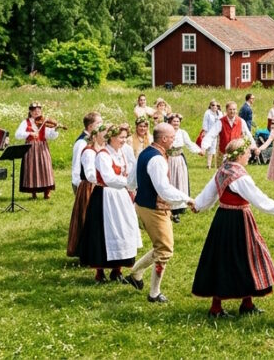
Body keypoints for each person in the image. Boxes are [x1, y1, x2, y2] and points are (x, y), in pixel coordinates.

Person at [192, 139, 274, 318]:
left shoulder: (222, 171)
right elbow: (260, 200)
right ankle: (219, 308)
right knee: (246, 257)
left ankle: (244, 303)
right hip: (238, 220)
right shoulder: (240, 176)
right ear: (238, 155)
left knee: (223, 258)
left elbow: (208, 195)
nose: (248, 156)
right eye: (246, 153)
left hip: (222, 219)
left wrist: (197, 205)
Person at [125, 122, 196, 303]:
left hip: (142, 205)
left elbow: (131, 182)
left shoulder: (144, 153)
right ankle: (154, 293)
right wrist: (186, 199)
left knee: (161, 247)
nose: (174, 140)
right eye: (172, 137)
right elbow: (163, 189)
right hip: (154, 209)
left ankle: (136, 273)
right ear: (164, 139)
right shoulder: (157, 159)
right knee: (165, 250)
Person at [78, 124, 141, 284]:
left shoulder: (122, 152)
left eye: (125, 137)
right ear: (111, 137)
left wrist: (132, 182)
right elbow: (108, 178)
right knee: (103, 233)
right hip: (105, 196)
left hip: (121, 196)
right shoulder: (103, 155)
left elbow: (130, 168)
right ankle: (100, 272)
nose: (124, 140)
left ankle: (117, 270)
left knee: (123, 230)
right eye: (121, 137)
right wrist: (127, 182)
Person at [67, 122, 106, 258]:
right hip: (89, 186)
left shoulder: (101, 150)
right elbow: (87, 173)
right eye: (103, 136)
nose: (105, 138)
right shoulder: (88, 151)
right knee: (86, 217)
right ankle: (83, 251)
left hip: (98, 185)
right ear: (95, 137)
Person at [14, 101, 60, 199]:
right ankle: (33, 192)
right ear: (30, 112)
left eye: (38, 110)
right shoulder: (25, 122)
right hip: (30, 148)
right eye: (34, 110)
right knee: (32, 168)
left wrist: (55, 130)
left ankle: (46, 192)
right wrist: (29, 134)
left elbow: (50, 136)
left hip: (42, 146)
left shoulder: (44, 121)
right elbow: (17, 134)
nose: (36, 112)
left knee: (45, 167)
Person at [165, 113, 202, 223]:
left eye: (178, 121)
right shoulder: (166, 132)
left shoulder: (182, 133)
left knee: (180, 181)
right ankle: (170, 208)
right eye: (174, 121)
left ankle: (179, 208)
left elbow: (189, 144)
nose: (176, 123)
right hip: (169, 159)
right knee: (170, 181)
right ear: (169, 122)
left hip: (179, 160)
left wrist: (199, 151)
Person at [202, 101, 252, 166]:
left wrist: (254, 147)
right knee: (221, 174)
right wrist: (204, 147)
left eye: (234, 109)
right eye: (230, 109)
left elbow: (248, 135)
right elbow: (211, 135)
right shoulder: (221, 122)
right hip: (223, 153)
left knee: (236, 173)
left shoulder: (241, 121)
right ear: (226, 110)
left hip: (237, 154)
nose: (232, 111)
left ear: (236, 110)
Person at [200, 100, 221, 168]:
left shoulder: (219, 113)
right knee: (210, 148)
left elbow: (222, 122)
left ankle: (215, 164)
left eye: (216, 105)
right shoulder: (207, 113)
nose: (215, 107)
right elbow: (205, 122)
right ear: (210, 106)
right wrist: (205, 131)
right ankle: (208, 164)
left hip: (218, 133)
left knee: (217, 148)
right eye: (213, 105)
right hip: (209, 132)